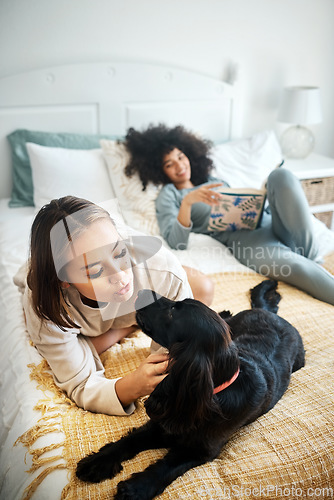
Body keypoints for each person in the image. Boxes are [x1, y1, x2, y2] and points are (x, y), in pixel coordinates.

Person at [18, 195, 201, 417]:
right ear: (64, 279)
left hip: (146, 282)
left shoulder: (162, 270)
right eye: (95, 271)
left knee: (205, 289)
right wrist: (133, 385)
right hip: (59, 290)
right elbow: (80, 384)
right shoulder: (48, 308)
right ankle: (127, 326)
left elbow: (177, 349)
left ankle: (125, 323)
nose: (121, 275)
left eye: (119, 253)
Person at [124, 124, 334, 306]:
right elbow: (176, 241)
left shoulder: (211, 178)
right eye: (170, 164)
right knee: (297, 266)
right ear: (160, 171)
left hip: (272, 223)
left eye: (181, 156)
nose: (180, 165)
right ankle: (311, 261)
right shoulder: (171, 194)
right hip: (250, 243)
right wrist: (188, 202)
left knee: (280, 175)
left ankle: (310, 254)